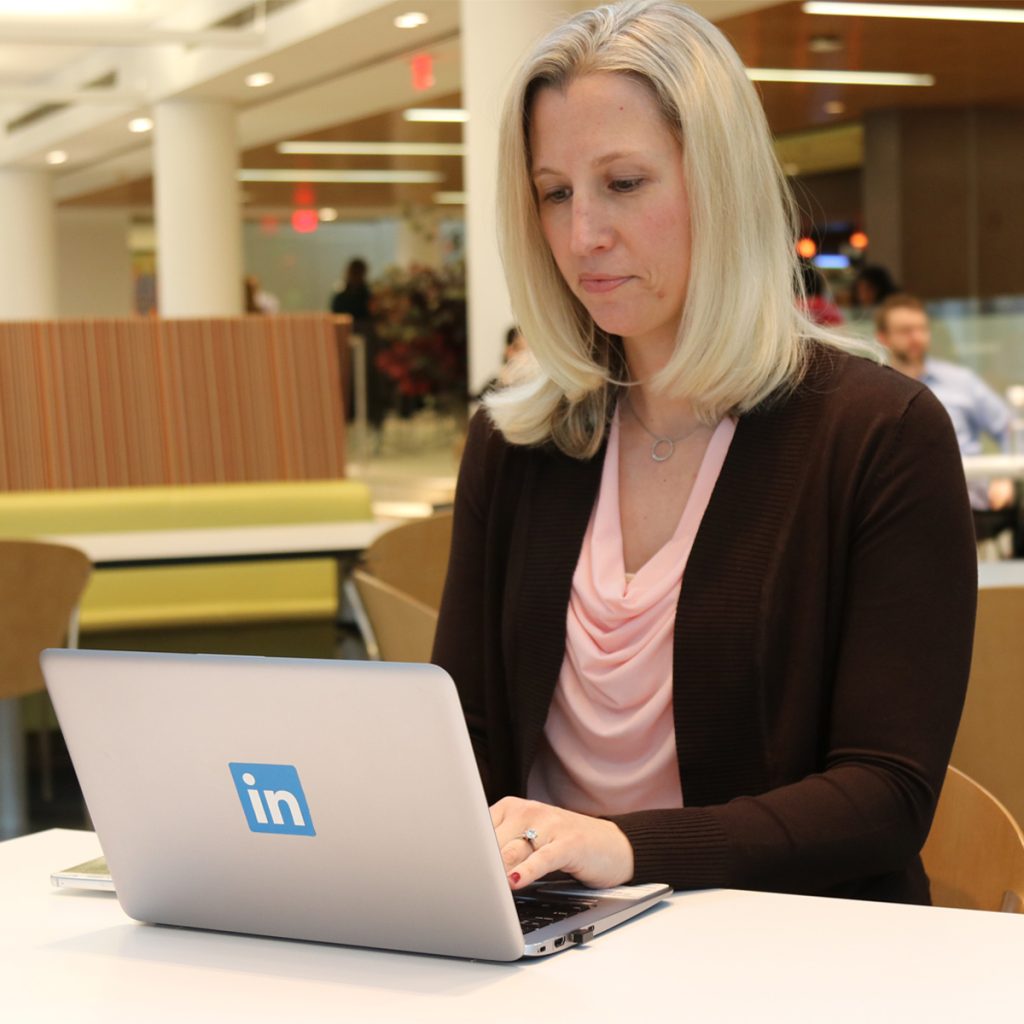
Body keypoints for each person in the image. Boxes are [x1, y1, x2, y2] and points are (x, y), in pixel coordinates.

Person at [432, 0, 976, 905]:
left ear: (719, 184)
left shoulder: (879, 435)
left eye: (625, 183)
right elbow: (460, 739)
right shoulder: (516, 440)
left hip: (789, 953)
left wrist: (628, 847)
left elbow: (886, 796)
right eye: (556, 192)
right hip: (543, 946)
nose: (582, 237)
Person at [874, 293, 1015, 514]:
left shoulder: (961, 381)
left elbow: (1010, 426)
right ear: (883, 337)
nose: (916, 337)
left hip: (968, 507)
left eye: (922, 329)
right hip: (899, 509)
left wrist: (1005, 476)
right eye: (905, 331)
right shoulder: (874, 388)